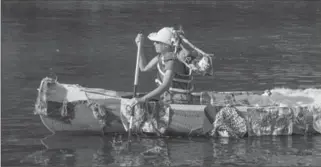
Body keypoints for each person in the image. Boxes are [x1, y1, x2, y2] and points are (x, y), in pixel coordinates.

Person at [128, 27, 194, 107]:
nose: (154, 44)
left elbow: (165, 86)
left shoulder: (172, 61)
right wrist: (140, 47)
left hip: (178, 103)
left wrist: (142, 99)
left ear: (166, 45)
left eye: (157, 42)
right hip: (167, 99)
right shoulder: (161, 57)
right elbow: (143, 68)